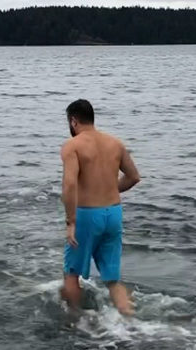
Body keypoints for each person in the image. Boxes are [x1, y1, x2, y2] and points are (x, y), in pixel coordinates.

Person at [60, 99, 141, 316]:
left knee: (71, 274)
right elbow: (133, 177)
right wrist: (108, 189)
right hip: (113, 213)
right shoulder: (115, 143)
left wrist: (71, 222)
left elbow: (69, 185)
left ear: (73, 121)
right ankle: (131, 324)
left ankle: (76, 324)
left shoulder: (73, 145)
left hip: (86, 216)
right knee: (112, 279)